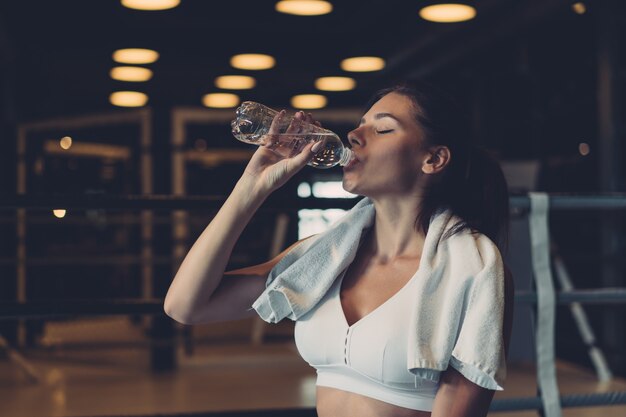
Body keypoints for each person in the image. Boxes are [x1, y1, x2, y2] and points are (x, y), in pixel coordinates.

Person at [164, 81, 515, 417]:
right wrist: (251, 188)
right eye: (359, 125)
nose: (353, 135)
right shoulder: (323, 258)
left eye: (383, 129)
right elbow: (185, 306)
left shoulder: (471, 268)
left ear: (433, 159)